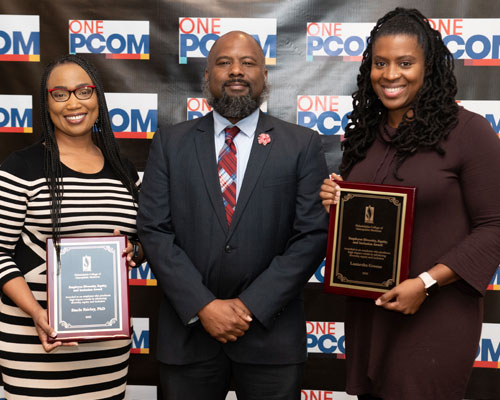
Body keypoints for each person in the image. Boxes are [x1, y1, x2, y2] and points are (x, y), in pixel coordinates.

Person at [320, 8, 500, 400]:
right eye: (380, 63)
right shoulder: (364, 136)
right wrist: (336, 200)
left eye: (405, 63)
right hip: (372, 314)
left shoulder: (469, 132)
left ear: (428, 67)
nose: (390, 75)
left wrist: (426, 282)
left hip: (435, 315)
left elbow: (495, 227)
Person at [137, 31, 328, 400]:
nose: (236, 71)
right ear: (206, 76)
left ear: (264, 76)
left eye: (248, 62)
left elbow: (312, 235)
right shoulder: (170, 143)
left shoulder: (301, 144)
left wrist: (248, 307)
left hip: (271, 338)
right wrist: (203, 306)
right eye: (224, 63)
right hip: (188, 336)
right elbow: (154, 231)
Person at [0, 54, 144, 399]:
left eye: (83, 91)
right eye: (59, 94)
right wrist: (37, 313)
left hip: (106, 349)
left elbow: (141, 242)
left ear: (98, 98)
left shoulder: (124, 170)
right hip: (34, 342)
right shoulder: (22, 167)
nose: (73, 103)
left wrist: (133, 251)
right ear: (46, 104)